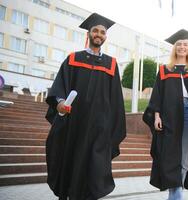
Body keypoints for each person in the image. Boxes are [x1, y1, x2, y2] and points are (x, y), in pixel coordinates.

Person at [45, 13, 126, 200]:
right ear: (88, 34)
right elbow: (58, 89)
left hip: (99, 129)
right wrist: (60, 104)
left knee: (94, 172)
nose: (99, 34)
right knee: (71, 166)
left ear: (106, 36)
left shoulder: (111, 65)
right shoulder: (73, 59)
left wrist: (111, 130)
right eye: (95, 30)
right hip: (74, 126)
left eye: (102, 32)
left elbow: (116, 100)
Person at [143, 29, 188, 200]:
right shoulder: (164, 70)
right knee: (169, 155)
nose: (182, 47)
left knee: (184, 156)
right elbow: (157, 95)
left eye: (185, 44)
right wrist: (157, 115)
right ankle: (176, 194)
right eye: (179, 45)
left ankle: (176, 194)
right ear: (174, 48)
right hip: (168, 115)